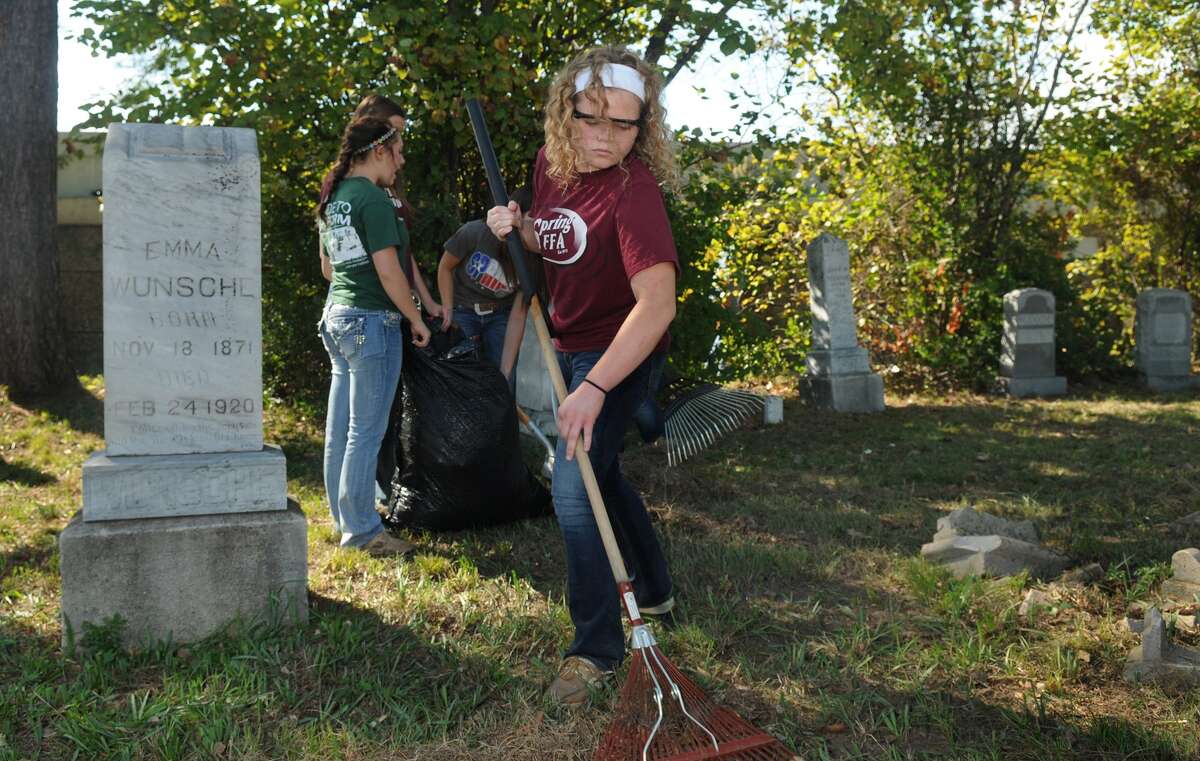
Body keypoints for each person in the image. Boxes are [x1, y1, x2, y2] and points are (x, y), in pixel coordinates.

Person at [486, 45, 681, 706]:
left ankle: (593, 648)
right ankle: (654, 588)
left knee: (573, 491)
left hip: (620, 352)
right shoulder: (551, 165)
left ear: (642, 127)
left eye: (623, 124)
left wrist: (595, 387)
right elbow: (554, 239)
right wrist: (517, 228)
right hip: (569, 343)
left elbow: (657, 305)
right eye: (591, 118)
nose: (604, 137)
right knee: (602, 471)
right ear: (565, 113)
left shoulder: (635, 191)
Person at [317, 115, 432, 556]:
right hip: (370, 322)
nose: (400, 162)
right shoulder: (373, 199)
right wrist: (417, 319)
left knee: (341, 431)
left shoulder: (334, 197)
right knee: (365, 432)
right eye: (398, 151)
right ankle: (363, 532)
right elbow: (389, 271)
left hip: (337, 317)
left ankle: (345, 518)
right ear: (379, 150)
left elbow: (329, 269)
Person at [436, 187, 535, 381]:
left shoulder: (533, 259)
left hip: (500, 314)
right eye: (532, 218)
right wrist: (448, 307)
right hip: (464, 308)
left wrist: (505, 373)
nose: (537, 227)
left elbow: (518, 313)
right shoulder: (475, 232)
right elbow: (445, 267)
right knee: (460, 371)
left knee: (503, 377)